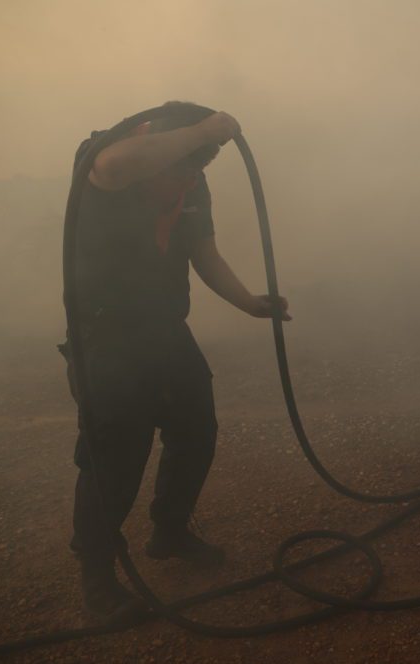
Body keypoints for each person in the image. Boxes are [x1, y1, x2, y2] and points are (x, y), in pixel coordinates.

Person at [62, 103, 288, 622]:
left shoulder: (190, 182)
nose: (189, 181)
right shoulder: (107, 163)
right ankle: (97, 582)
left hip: (165, 330)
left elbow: (203, 253)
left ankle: (170, 531)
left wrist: (249, 302)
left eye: (198, 171)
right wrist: (204, 130)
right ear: (164, 146)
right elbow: (116, 165)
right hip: (106, 339)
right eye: (183, 167)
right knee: (114, 457)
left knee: (196, 430)